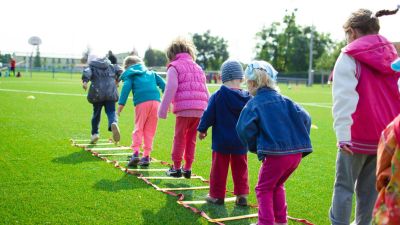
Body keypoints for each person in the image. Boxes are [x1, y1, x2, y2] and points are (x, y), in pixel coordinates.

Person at [329, 7, 400, 225]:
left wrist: (343, 134)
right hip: (385, 139)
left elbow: (344, 99)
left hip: (355, 137)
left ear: (352, 31)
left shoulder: (349, 55)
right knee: (370, 191)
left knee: (344, 187)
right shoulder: (393, 55)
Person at [236, 61, 312, 225]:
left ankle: (265, 222)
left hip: (276, 155)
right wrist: (299, 141)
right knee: (277, 185)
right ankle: (280, 221)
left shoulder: (254, 103)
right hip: (296, 155)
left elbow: (242, 128)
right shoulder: (288, 101)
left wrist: (255, 146)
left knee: (263, 188)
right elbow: (306, 118)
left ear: (251, 83)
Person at [197, 60, 252, 206]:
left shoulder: (218, 95)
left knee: (218, 169)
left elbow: (208, 114)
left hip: (221, 141)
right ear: (241, 78)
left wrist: (202, 129)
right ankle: (242, 195)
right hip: (241, 141)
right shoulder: (248, 97)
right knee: (241, 168)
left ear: (222, 77)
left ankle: (216, 195)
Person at [158, 37, 209, 178]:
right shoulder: (198, 67)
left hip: (184, 109)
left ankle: (176, 168)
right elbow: (205, 90)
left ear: (171, 54)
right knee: (191, 139)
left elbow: (171, 87)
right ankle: (187, 168)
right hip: (200, 109)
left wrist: (163, 109)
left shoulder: (174, 67)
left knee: (179, 137)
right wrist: (208, 112)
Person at [118, 55, 165, 167]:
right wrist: (169, 102)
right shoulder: (151, 73)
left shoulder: (131, 75)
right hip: (156, 102)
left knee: (139, 127)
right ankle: (146, 156)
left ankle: (135, 154)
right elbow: (165, 85)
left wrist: (120, 107)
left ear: (127, 67)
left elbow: (125, 90)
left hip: (142, 103)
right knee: (150, 130)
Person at [82, 54, 122, 144]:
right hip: (111, 92)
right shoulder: (110, 65)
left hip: (97, 94)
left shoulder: (92, 67)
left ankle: (95, 133)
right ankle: (113, 123)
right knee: (111, 111)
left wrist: (85, 82)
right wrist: (117, 80)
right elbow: (120, 70)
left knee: (96, 113)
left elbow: (87, 72)